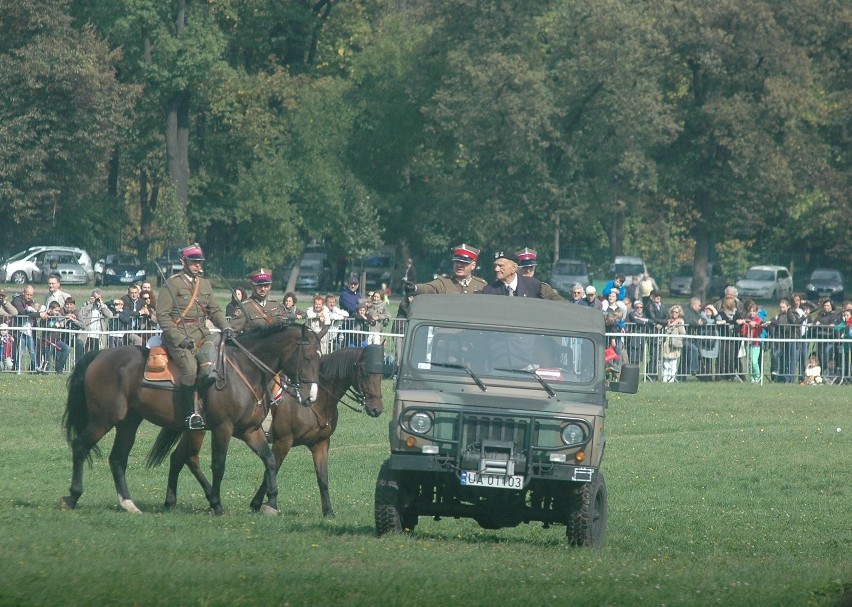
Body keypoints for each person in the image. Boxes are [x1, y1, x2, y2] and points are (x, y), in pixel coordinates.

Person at [157, 243, 233, 431]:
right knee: (190, 369)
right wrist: (177, 337)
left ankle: (211, 408)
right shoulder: (172, 284)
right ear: (184, 261)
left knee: (213, 364)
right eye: (193, 261)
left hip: (202, 334)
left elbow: (214, 310)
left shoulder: (205, 284)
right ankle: (189, 413)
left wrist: (226, 327)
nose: (197, 265)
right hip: (178, 336)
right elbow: (162, 315)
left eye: (199, 262)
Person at [406, 244, 487, 295]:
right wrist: (415, 288)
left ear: (473, 265)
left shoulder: (481, 285)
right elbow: (429, 288)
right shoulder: (444, 282)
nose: (459, 265)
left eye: (464, 263)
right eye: (456, 262)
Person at [229, 269, 285, 333]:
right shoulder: (244, 308)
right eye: (259, 285)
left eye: (266, 285)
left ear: (270, 286)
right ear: (252, 286)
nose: (263, 289)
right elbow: (232, 332)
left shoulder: (275, 305)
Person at [12, 285, 42, 372]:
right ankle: (17, 368)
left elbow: (37, 309)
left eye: (31, 295)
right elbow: (23, 312)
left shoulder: (32, 302)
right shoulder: (17, 300)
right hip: (21, 331)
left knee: (32, 351)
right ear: (23, 293)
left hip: (29, 332)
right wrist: (39, 315)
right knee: (20, 351)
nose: (29, 297)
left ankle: (35, 367)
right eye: (27, 294)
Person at [714, 294, 745, 381]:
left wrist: (741, 321)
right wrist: (734, 321)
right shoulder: (721, 313)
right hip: (723, 338)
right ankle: (720, 376)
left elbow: (741, 320)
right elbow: (725, 320)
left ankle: (731, 375)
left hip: (734, 338)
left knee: (732, 357)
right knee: (722, 357)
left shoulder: (737, 313)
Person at [78, 288, 114, 353]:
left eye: (98, 298)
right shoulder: (86, 305)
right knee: (84, 353)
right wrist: (90, 304)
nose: (96, 299)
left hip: (97, 334)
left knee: (95, 353)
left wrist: (102, 305)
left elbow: (110, 315)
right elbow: (81, 315)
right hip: (87, 333)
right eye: (95, 297)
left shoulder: (102, 307)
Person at [645, 290, 668, 379]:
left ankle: (654, 374)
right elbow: (653, 318)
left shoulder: (663, 305)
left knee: (657, 355)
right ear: (652, 297)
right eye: (656, 296)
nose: (658, 297)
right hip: (652, 332)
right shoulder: (649, 306)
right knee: (653, 355)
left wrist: (662, 324)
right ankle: (651, 375)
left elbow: (667, 317)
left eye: (659, 296)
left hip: (660, 332)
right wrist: (663, 322)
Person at [680, 297, 705, 377]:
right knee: (694, 349)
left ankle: (681, 376)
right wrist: (696, 323)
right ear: (693, 305)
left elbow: (704, 319)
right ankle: (694, 369)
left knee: (684, 359)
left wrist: (702, 322)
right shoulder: (685, 312)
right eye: (699, 305)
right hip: (684, 338)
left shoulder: (696, 313)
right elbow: (686, 321)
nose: (700, 307)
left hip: (692, 339)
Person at [740, 299, 764, 383]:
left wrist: (755, 325)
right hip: (748, 343)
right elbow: (743, 332)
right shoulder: (746, 319)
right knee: (749, 362)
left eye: (754, 311)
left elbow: (760, 329)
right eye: (751, 311)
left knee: (754, 361)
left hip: (755, 343)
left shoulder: (759, 319)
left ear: (756, 312)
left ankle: (757, 377)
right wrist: (745, 325)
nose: (752, 313)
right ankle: (751, 378)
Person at [661, 305, 685, 382]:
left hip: (675, 344)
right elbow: (666, 331)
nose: (674, 313)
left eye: (676, 312)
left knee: (673, 363)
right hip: (666, 343)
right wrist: (671, 324)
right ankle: (665, 378)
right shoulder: (667, 321)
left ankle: (671, 378)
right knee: (666, 363)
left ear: (679, 313)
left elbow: (683, 333)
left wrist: (679, 325)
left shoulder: (680, 322)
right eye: (673, 312)